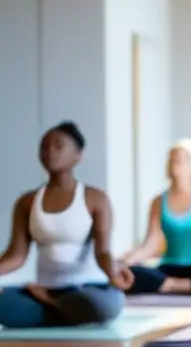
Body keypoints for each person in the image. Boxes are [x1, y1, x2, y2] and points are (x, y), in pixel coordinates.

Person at [0, 122, 132, 328]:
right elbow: (16, 256)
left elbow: (103, 252)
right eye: (44, 146)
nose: (50, 151)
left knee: (98, 305)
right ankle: (54, 306)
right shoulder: (26, 202)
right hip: (49, 286)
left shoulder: (95, 198)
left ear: (77, 155)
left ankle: (47, 306)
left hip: (88, 290)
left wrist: (114, 271)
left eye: (58, 146)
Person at [119, 139, 191, 296]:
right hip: (168, 268)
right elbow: (149, 245)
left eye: (182, 160)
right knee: (132, 274)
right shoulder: (158, 201)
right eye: (173, 160)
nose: (176, 164)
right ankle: (184, 286)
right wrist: (124, 263)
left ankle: (170, 286)